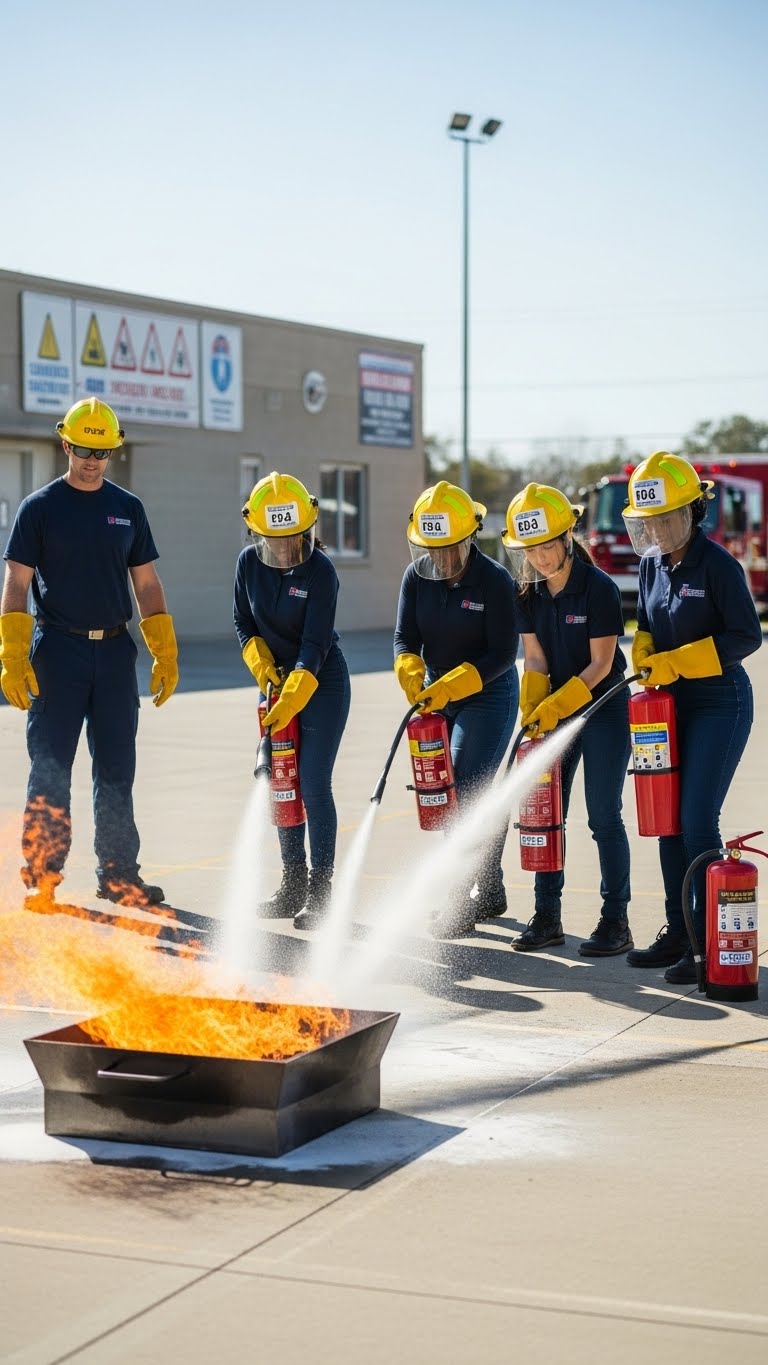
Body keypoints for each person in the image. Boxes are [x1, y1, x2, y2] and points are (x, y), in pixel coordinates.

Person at [0, 397, 179, 907]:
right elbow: (17, 583)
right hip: (57, 652)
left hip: (115, 653)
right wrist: (13, 654)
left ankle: (119, 877)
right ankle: (41, 877)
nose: (93, 461)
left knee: (117, 770)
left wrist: (163, 650)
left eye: (102, 452)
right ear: (66, 445)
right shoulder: (40, 508)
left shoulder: (128, 509)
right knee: (51, 769)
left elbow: (147, 583)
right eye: (84, 450)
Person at [622, 451, 762, 983]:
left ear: (691, 511)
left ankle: (705, 943)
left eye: (666, 518)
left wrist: (679, 661)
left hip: (719, 702)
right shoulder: (651, 563)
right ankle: (679, 931)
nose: (657, 529)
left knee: (698, 819)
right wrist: (644, 644)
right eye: (648, 521)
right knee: (666, 820)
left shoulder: (719, 565)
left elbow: (746, 636)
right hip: (667, 706)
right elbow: (647, 619)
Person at [502, 482, 632, 957]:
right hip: (556, 708)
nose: (538, 558)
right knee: (546, 813)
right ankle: (547, 916)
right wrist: (534, 705)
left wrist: (558, 705)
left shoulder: (598, 588)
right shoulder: (527, 593)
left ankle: (615, 921)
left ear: (566, 538)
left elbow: (601, 664)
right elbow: (535, 658)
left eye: (545, 546)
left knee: (603, 815)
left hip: (604, 707)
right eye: (528, 549)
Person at [393, 480, 519, 937]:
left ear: (470, 536)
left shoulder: (495, 580)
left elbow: (504, 652)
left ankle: (459, 900)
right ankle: (490, 889)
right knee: (453, 794)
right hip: (436, 692)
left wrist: (457, 683)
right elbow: (405, 637)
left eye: (450, 547)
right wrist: (409, 670)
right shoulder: (416, 577)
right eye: (432, 548)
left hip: (488, 694)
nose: (441, 558)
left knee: (463, 791)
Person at [235, 471, 351, 929]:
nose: (283, 547)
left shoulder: (321, 571)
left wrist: (296, 688)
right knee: (281, 780)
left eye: (293, 537)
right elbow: (243, 623)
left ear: (307, 527)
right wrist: (261, 664)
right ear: (256, 531)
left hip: (320, 680)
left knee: (313, 781)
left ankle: (321, 891)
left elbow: (315, 643)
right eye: (272, 538)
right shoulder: (248, 564)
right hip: (275, 681)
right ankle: (292, 884)